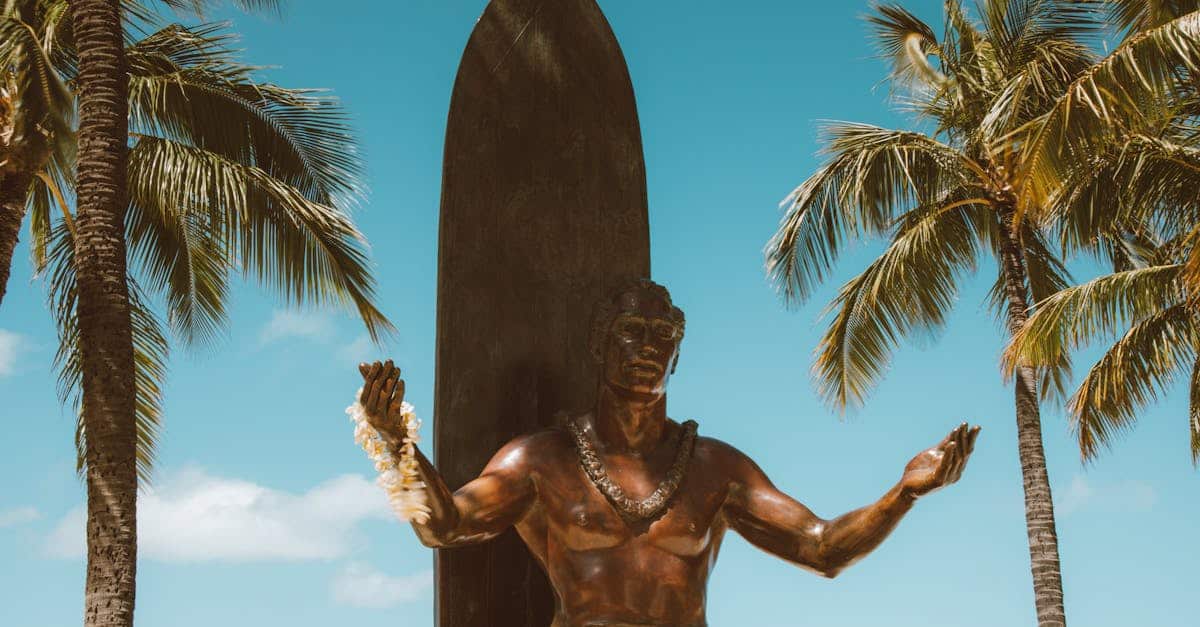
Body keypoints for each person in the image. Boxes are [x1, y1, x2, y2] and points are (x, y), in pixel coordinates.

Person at [356, 279, 979, 627]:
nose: (648, 347)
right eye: (632, 331)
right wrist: (394, 440)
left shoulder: (715, 468)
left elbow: (820, 548)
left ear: (677, 355)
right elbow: (446, 526)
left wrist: (904, 494)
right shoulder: (541, 460)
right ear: (600, 346)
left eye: (664, 337)